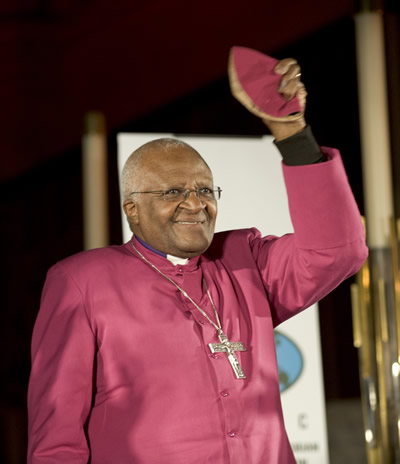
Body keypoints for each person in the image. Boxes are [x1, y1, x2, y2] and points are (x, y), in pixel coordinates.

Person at [27, 58, 368, 463]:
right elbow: (57, 437)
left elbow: (339, 250)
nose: (196, 203)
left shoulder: (246, 263)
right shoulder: (82, 282)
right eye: (173, 192)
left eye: (206, 190)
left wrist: (291, 133)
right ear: (132, 209)